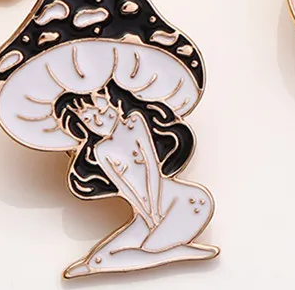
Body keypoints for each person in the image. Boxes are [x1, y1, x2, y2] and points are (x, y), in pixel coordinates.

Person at [55, 81, 216, 276]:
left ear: (114, 103)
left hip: (188, 204)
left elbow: (153, 168)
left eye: (101, 110)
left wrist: (155, 212)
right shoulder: (101, 150)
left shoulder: (135, 122)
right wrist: (147, 216)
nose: (98, 121)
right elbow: (125, 189)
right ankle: (176, 252)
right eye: (88, 120)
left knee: (151, 247)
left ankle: (176, 252)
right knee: (99, 258)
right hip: (145, 213)